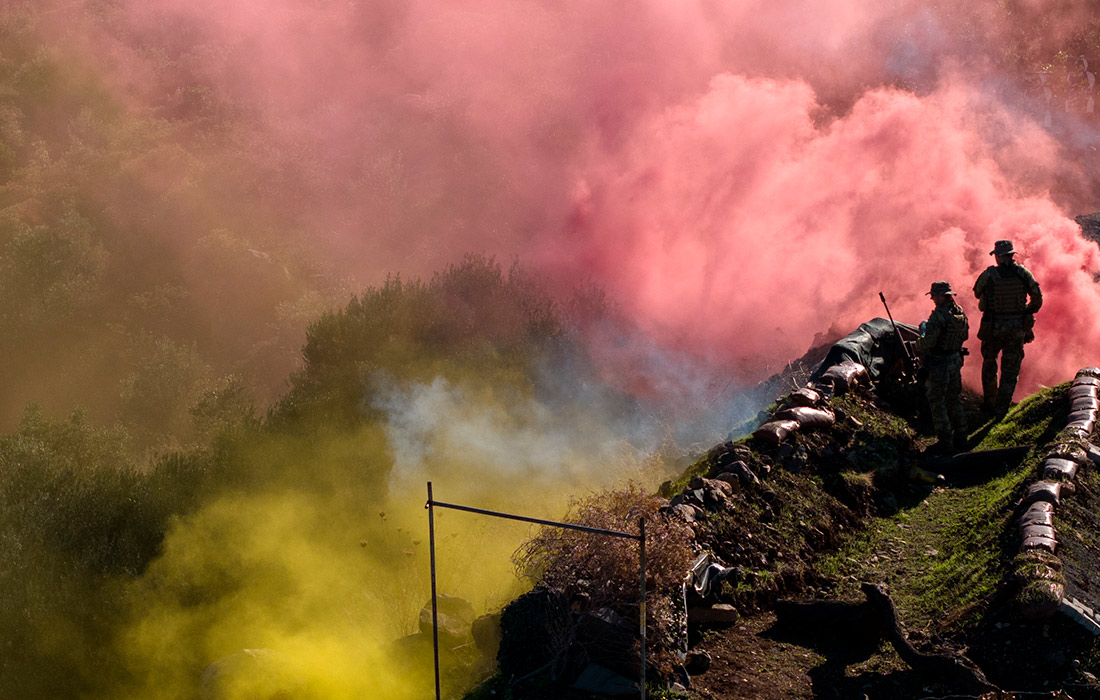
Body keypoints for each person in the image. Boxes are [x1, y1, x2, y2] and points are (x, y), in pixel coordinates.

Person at [973, 240, 1042, 416]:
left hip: (993, 327)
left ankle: (990, 404)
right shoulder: (1023, 274)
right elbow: (1037, 298)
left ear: (1000, 256)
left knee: (989, 365)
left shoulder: (989, 274)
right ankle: (1002, 409)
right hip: (1016, 328)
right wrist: (1025, 313)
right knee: (1010, 369)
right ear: (1011, 255)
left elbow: (977, 292)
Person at [917, 281, 970, 452]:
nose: (932, 298)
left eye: (933, 295)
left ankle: (945, 441)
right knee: (954, 398)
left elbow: (927, 343)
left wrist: (919, 340)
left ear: (941, 296)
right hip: (955, 359)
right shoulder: (959, 312)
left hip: (940, 363)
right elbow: (965, 334)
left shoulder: (939, 315)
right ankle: (962, 436)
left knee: (937, 401)